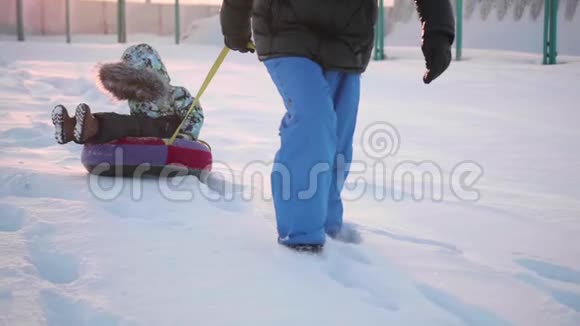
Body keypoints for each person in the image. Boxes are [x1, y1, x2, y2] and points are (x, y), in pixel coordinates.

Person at [220, 0, 455, 252]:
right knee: (313, 120)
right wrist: (235, 19)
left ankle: (328, 227)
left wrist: (438, 32)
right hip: (285, 30)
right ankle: (300, 237)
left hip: (349, 39)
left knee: (338, 137)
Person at [51, 43, 204, 145]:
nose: (136, 87)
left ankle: (92, 126)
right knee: (121, 123)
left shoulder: (175, 93)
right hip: (142, 132)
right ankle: (73, 127)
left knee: (125, 124)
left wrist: (184, 139)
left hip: (167, 131)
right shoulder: (135, 99)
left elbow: (194, 114)